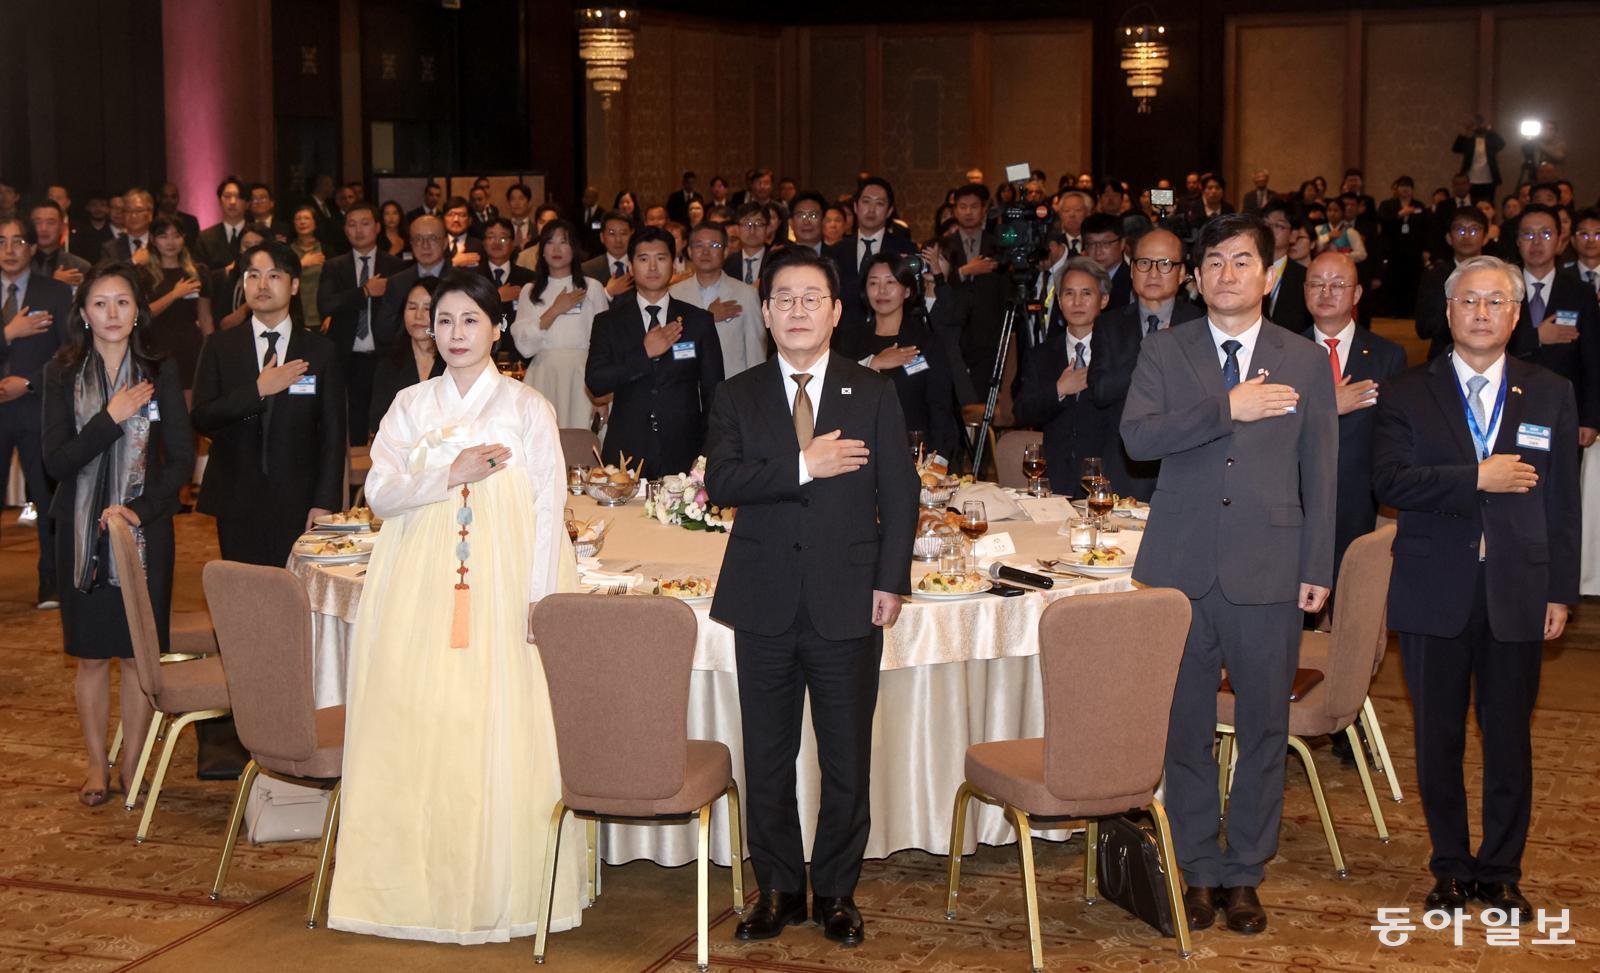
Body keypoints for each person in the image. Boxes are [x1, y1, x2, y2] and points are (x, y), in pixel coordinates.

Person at [329, 270, 588, 942]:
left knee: (493, 724)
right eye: (443, 321)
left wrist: (539, 598)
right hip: (417, 589)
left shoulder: (527, 408)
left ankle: (502, 885)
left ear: (497, 329)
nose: (455, 334)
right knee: (423, 722)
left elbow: (546, 508)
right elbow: (381, 493)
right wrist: (451, 473)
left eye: (470, 320)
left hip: (502, 588)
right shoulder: (411, 404)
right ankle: (412, 888)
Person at [1120, 212, 1337, 935]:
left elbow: (1323, 469)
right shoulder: (1167, 350)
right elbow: (1138, 436)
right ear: (1195, 275)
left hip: (1271, 567)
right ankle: (1199, 868)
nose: (1226, 275)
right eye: (1213, 262)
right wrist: (1227, 407)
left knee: (1264, 728)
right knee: (1184, 730)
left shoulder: (1303, 358)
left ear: (1270, 275)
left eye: (1242, 262)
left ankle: (1245, 870)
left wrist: (1317, 565)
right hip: (1179, 569)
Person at [704, 246, 917, 948]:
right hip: (762, 600)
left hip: (849, 600)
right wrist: (805, 463)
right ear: (765, 313)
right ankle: (779, 889)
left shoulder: (873, 390)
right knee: (765, 755)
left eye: (811, 298)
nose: (797, 310)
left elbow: (901, 495)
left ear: (834, 311)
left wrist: (890, 580)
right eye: (784, 298)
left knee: (845, 757)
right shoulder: (738, 392)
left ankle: (836, 891)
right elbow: (726, 482)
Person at [1372, 254, 1578, 920]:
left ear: (1516, 315)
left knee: (1509, 736)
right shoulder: (1407, 389)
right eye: (1470, 301)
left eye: (1496, 302)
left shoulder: (1548, 390)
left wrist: (1561, 591)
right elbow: (1390, 482)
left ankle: (1501, 869)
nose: (1482, 313)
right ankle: (1451, 866)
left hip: (1519, 586)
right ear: (1449, 311)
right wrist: (1475, 477)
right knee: (1437, 737)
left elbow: (1564, 502)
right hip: (1434, 587)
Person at [41, 263, 193, 806]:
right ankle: (94, 765)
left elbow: (181, 458)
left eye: (122, 303)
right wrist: (109, 418)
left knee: (135, 655)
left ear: (138, 312)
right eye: (100, 303)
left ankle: (131, 766)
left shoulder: (160, 369)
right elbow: (57, 462)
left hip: (142, 531)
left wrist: (139, 509)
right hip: (80, 534)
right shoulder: (60, 373)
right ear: (83, 313)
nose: (112, 313)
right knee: (90, 657)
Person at [190, 241, 346, 567]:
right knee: (243, 599)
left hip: (300, 501)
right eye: (253, 276)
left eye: (274, 275)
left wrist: (324, 502)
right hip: (236, 498)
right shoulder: (220, 346)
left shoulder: (320, 351)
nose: (262, 285)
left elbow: (333, 436)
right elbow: (202, 417)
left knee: (296, 600)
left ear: (294, 285)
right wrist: (257, 390)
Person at [1301, 251, 1405, 583]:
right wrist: (1326, 405)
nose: (1326, 293)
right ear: (1304, 290)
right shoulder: (1284, 352)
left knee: (1354, 612)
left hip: (1361, 503)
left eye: (1337, 284)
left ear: (1357, 294)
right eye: (1316, 284)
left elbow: (1395, 436)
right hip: (1297, 500)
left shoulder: (1387, 356)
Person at [585, 226, 723, 477]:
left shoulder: (698, 321)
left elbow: (714, 393)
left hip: (684, 452)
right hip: (625, 452)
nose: (652, 267)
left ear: (674, 264)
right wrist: (644, 353)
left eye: (660, 258)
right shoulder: (609, 322)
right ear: (630, 266)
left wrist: (705, 453)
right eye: (643, 259)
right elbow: (596, 383)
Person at [1087, 228, 1205, 500]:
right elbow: (1100, 391)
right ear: (1131, 270)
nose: (1153, 273)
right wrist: (1152, 350)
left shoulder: (1200, 325)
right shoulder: (1109, 324)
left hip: (1187, 462)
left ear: (1181, 272)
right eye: (1144, 263)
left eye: (1164, 264)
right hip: (1125, 466)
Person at [1, 216, 74, 607]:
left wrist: (27, 382)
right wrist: (7, 333)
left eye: (18, 242)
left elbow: (69, 352)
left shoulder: (57, 293)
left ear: (32, 248)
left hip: (36, 407)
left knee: (47, 499)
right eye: (1, 241)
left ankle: (51, 581)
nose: (9, 250)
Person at [1015, 257, 1119, 498]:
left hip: (1107, 479)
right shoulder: (1040, 354)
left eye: (1086, 293)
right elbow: (1022, 412)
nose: (1077, 302)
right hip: (1055, 480)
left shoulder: (1119, 353)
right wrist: (1059, 389)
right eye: (1069, 293)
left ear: (1103, 300)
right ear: (1059, 301)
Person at [853, 252, 960, 463]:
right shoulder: (850, 340)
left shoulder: (925, 342)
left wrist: (937, 461)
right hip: (860, 454)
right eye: (873, 283)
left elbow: (940, 407)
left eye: (890, 282)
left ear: (907, 290)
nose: (881, 290)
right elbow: (839, 393)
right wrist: (874, 363)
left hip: (914, 455)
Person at [1508, 204, 1600, 443]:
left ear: (1560, 240)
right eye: (1528, 234)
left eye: (1546, 234)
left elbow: (1592, 359)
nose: (1536, 242)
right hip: (1509, 404)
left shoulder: (1581, 293)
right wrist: (1536, 336)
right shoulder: (1502, 288)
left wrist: (1590, 418)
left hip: (1564, 408)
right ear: (1517, 241)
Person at [319, 202, 405, 444]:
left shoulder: (395, 266)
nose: (358, 230)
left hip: (385, 356)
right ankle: (357, 477)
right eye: (352, 224)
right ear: (345, 230)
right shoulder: (334, 266)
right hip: (347, 356)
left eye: (365, 223)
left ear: (378, 227)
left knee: (387, 421)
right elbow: (325, 305)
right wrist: (364, 291)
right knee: (351, 422)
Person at [511, 219, 608, 427]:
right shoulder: (530, 290)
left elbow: (605, 344)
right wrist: (555, 310)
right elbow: (524, 346)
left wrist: (601, 396)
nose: (556, 248)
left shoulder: (592, 288)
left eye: (563, 242)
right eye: (549, 242)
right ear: (542, 250)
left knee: (582, 444)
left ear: (574, 248)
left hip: (583, 379)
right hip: (544, 375)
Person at [826, 177, 915, 355]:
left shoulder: (905, 249)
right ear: (856, 207)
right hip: (843, 342)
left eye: (879, 203)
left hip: (892, 340)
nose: (872, 209)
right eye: (866, 202)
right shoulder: (834, 252)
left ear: (889, 210)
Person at [669, 221, 766, 379]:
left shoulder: (746, 294)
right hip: (689, 390)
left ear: (726, 251)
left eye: (714, 245)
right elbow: (673, 350)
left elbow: (756, 355)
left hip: (733, 390)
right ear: (689, 251)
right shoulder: (674, 293)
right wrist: (708, 317)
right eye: (699, 245)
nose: (705, 252)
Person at [141, 216, 213, 393]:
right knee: (158, 407)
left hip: (190, 346)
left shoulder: (198, 272)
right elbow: (142, 314)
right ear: (153, 239)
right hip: (155, 346)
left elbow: (205, 317)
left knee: (190, 408)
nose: (170, 242)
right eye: (163, 236)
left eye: (176, 235)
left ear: (184, 238)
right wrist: (174, 294)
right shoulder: (142, 274)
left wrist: (212, 349)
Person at [369, 277, 445, 437]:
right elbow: (378, 421)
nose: (418, 315)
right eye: (412, 307)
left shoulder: (454, 361)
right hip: (401, 455)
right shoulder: (389, 363)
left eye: (427, 308)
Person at [1416, 206, 1490, 360]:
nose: (1467, 236)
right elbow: (1423, 328)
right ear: (1449, 238)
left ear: (1485, 237)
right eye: (1460, 230)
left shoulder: (1498, 275)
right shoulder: (1435, 275)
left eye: (1474, 230)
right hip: (1444, 356)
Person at [374, 215, 449, 349]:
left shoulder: (462, 282)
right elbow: (384, 332)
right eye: (418, 239)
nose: (425, 245)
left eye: (432, 238)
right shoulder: (397, 282)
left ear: (445, 242)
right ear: (411, 243)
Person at [30, 199, 91, 289]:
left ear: (63, 227)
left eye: (50, 223)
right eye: (37, 222)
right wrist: (54, 283)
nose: (43, 228)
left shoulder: (79, 267)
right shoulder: (18, 264)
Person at [1080, 213, 1133, 310]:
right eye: (1091, 244)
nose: (1098, 251)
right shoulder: (1078, 281)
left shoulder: (1133, 283)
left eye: (1106, 243)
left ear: (1122, 243)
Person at [578, 211, 636, 299]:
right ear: (602, 237)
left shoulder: (642, 266)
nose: (618, 240)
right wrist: (607, 292)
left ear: (632, 235)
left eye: (623, 233)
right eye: (612, 233)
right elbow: (582, 307)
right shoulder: (587, 270)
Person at [197, 177, 250, 270]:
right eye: (227, 196)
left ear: (247, 203)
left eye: (238, 197)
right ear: (219, 201)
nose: (232, 202)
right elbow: (201, 274)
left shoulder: (257, 235)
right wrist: (224, 273)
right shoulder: (205, 237)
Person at [1453, 115, 1507, 203]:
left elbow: (1501, 144)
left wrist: (1489, 129)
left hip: (1489, 180)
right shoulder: (1469, 141)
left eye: (1480, 124)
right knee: (1470, 203)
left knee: (1488, 204)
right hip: (1470, 180)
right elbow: (1456, 148)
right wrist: (1466, 130)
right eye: (1476, 124)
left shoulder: (1490, 141)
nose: (1479, 127)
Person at [289, 205, 326, 328]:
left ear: (315, 222)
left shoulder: (326, 249)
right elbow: (281, 277)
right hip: (295, 315)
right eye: (298, 219)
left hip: (322, 315)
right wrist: (302, 263)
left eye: (306, 218)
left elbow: (334, 284)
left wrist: (331, 314)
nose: (302, 222)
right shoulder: (287, 251)